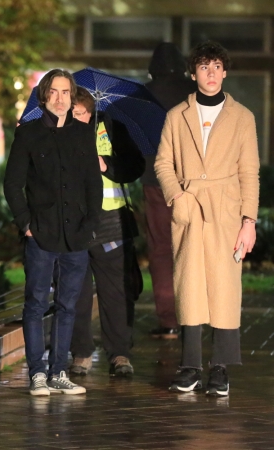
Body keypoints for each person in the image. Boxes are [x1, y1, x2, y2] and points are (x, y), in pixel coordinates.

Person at [155, 41, 259, 397]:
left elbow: (250, 172)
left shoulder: (243, 117)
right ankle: (190, 365)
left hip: (227, 211)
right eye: (204, 67)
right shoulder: (176, 115)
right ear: (193, 73)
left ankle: (221, 368)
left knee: (224, 288)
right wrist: (177, 196)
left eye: (216, 67)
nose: (211, 73)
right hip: (188, 208)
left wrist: (249, 221)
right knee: (190, 286)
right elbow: (163, 163)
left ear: (225, 72)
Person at [4, 69, 102, 396]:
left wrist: (90, 225)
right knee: (35, 303)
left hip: (76, 234)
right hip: (41, 233)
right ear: (45, 95)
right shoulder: (28, 134)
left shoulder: (84, 134)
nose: (60, 98)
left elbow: (93, 183)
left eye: (66, 92)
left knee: (68, 304)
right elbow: (12, 184)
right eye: (54, 92)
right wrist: (26, 223)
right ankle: (37, 374)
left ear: (72, 96)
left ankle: (59, 370)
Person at [67, 89, 144, 377]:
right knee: (76, 292)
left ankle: (120, 354)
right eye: (71, 114)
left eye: (80, 114)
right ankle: (81, 354)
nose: (75, 119)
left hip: (112, 222)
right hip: (74, 224)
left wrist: (105, 165)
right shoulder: (58, 132)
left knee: (116, 292)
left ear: (91, 111)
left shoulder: (113, 129)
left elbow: (135, 166)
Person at [144, 43, 198, 340]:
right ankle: (194, 316)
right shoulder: (195, 93)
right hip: (193, 182)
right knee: (193, 247)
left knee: (161, 249)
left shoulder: (143, 95)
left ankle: (168, 320)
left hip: (155, 181)